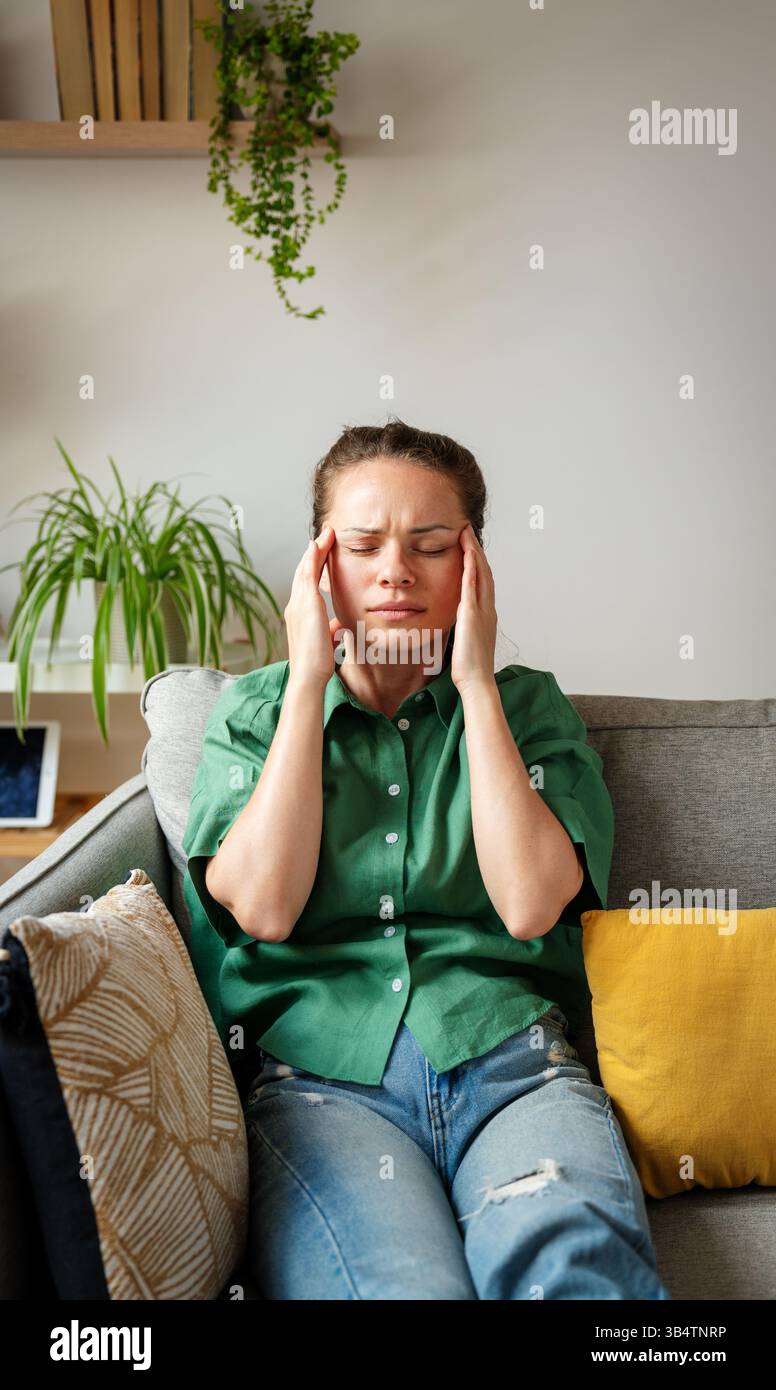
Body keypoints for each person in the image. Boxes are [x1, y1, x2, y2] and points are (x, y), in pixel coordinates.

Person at [182, 419, 671, 1301]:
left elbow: (529, 906)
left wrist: (477, 683)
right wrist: (305, 682)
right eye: (363, 544)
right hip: (323, 1090)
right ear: (320, 565)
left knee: (575, 1273)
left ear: (473, 563)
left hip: (518, 1071)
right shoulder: (256, 713)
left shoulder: (529, 710)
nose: (396, 571)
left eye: (432, 545)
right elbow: (263, 908)